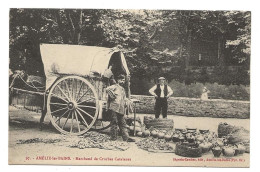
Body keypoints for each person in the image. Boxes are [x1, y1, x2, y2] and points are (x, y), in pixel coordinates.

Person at [106, 74, 135, 142]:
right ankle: (113, 138)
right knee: (114, 122)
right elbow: (107, 89)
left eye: (123, 80)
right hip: (114, 107)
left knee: (123, 123)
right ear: (118, 80)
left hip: (121, 108)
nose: (122, 81)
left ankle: (126, 138)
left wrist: (127, 101)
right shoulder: (114, 86)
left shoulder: (123, 89)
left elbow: (124, 98)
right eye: (121, 80)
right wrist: (112, 95)